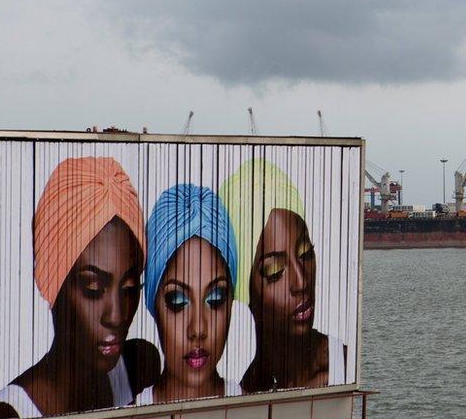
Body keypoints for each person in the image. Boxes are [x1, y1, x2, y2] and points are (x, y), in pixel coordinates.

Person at [0, 157, 146, 419]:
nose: (117, 316)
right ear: (49, 281)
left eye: (129, 287)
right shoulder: (8, 415)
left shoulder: (140, 367)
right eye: (94, 288)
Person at [219, 159, 347, 393]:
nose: (301, 282)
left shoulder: (344, 367)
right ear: (240, 287)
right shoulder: (244, 392)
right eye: (275, 271)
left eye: (306, 254)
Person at [136, 184, 240, 404]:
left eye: (215, 299)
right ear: (152, 303)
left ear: (231, 301)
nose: (198, 329)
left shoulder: (257, 417)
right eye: (177, 301)